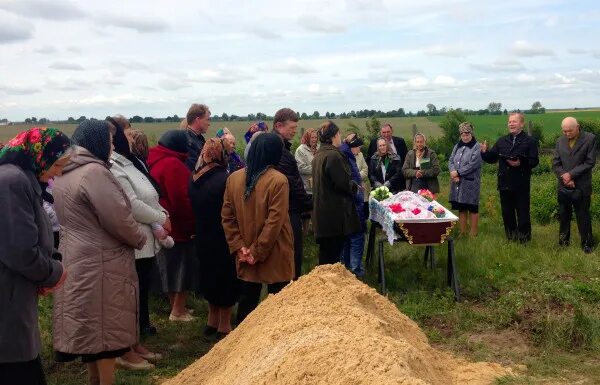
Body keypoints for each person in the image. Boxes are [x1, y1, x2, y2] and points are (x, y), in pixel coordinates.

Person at [52, 120, 147, 385]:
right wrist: (140, 237)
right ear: (96, 141)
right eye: (110, 140)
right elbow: (118, 217)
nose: (113, 145)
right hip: (101, 259)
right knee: (105, 328)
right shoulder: (94, 172)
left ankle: (94, 380)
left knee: (90, 324)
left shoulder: (65, 171)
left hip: (75, 254)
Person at [0, 127, 70, 385]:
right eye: (58, 164)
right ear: (40, 156)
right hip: (7, 297)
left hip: (15, 290)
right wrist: (52, 273)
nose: (59, 172)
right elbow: (19, 250)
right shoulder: (12, 182)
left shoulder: (21, 179)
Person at [107, 116, 166, 369]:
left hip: (146, 233)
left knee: (140, 295)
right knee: (131, 297)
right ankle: (126, 349)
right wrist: (160, 217)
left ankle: (136, 343)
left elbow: (148, 191)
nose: (131, 140)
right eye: (127, 136)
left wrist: (159, 215)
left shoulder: (126, 161)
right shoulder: (113, 166)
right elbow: (130, 203)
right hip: (134, 237)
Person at [222, 133, 293, 324]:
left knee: (247, 300)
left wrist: (240, 248)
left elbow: (227, 217)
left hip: (245, 250)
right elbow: (274, 222)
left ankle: (241, 344)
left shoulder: (234, 178)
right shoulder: (278, 180)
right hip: (274, 250)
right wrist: (256, 251)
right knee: (279, 302)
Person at [189, 138, 241, 339]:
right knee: (226, 278)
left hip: (203, 233)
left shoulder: (194, 177)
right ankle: (224, 324)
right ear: (221, 154)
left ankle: (211, 321)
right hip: (223, 235)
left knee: (209, 275)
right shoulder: (224, 179)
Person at [148, 130, 197, 322]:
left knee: (169, 267)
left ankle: (175, 307)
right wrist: (192, 224)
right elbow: (181, 199)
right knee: (181, 268)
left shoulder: (154, 158)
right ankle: (178, 311)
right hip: (177, 226)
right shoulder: (173, 165)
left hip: (162, 222)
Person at [481, 112, 539, 242]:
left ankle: (524, 240)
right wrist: (484, 153)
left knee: (523, 213)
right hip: (504, 183)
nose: (511, 124)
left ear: (522, 124)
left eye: (514, 121)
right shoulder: (502, 141)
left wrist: (521, 163)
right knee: (507, 213)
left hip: (521, 183)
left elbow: (534, 161)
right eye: (509, 122)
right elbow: (492, 158)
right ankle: (511, 238)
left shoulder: (529, 141)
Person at [312, 121, 361, 265]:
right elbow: (344, 184)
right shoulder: (334, 156)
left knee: (326, 257)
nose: (340, 137)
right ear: (333, 136)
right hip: (333, 218)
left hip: (323, 216)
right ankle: (327, 287)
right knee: (331, 260)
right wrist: (355, 187)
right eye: (339, 133)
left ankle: (323, 285)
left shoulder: (319, 155)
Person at [273, 108, 312, 279]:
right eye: (292, 127)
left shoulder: (279, 146)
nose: (295, 131)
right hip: (288, 209)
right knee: (292, 253)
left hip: (287, 207)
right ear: (279, 125)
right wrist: (309, 203)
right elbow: (291, 184)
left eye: (296, 128)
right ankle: (290, 289)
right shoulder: (279, 151)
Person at [552, 117, 596, 253]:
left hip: (581, 185)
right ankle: (563, 242)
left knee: (583, 215)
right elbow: (555, 163)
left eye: (570, 131)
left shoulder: (590, 139)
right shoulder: (560, 141)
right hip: (563, 185)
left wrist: (571, 175)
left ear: (578, 127)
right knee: (564, 214)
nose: (567, 134)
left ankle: (587, 244)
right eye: (564, 131)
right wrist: (564, 176)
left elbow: (590, 162)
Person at [448, 122, 483, 237]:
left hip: (471, 182)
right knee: (461, 207)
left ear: (471, 134)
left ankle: (473, 233)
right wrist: (453, 173)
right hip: (457, 181)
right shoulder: (457, 145)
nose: (465, 136)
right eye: (463, 134)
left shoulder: (476, 146)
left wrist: (458, 172)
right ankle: (462, 232)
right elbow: (451, 160)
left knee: (472, 207)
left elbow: (473, 164)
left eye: (467, 134)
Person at [340, 133, 366, 277]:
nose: (359, 151)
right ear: (353, 147)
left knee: (347, 239)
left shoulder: (343, 153)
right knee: (356, 239)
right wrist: (358, 189)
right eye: (358, 148)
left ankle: (346, 271)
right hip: (353, 204)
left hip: (348, 204)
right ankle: (355, 272)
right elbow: (353, 179)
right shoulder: (348, 157)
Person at [184, 103, 211, 171]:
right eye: (207, 119)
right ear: (198, 120)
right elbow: (196, 170)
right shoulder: (187, 142)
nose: (209, 124)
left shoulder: (198, 138)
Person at [295, 128, 318, 194]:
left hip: (319, 187)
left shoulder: (319, 148)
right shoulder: (300, 150)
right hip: (307, 189)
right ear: (307, 138)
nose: (314, 139)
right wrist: (318, 168)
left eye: (316, 137)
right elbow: (301, 168)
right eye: (312, 137)